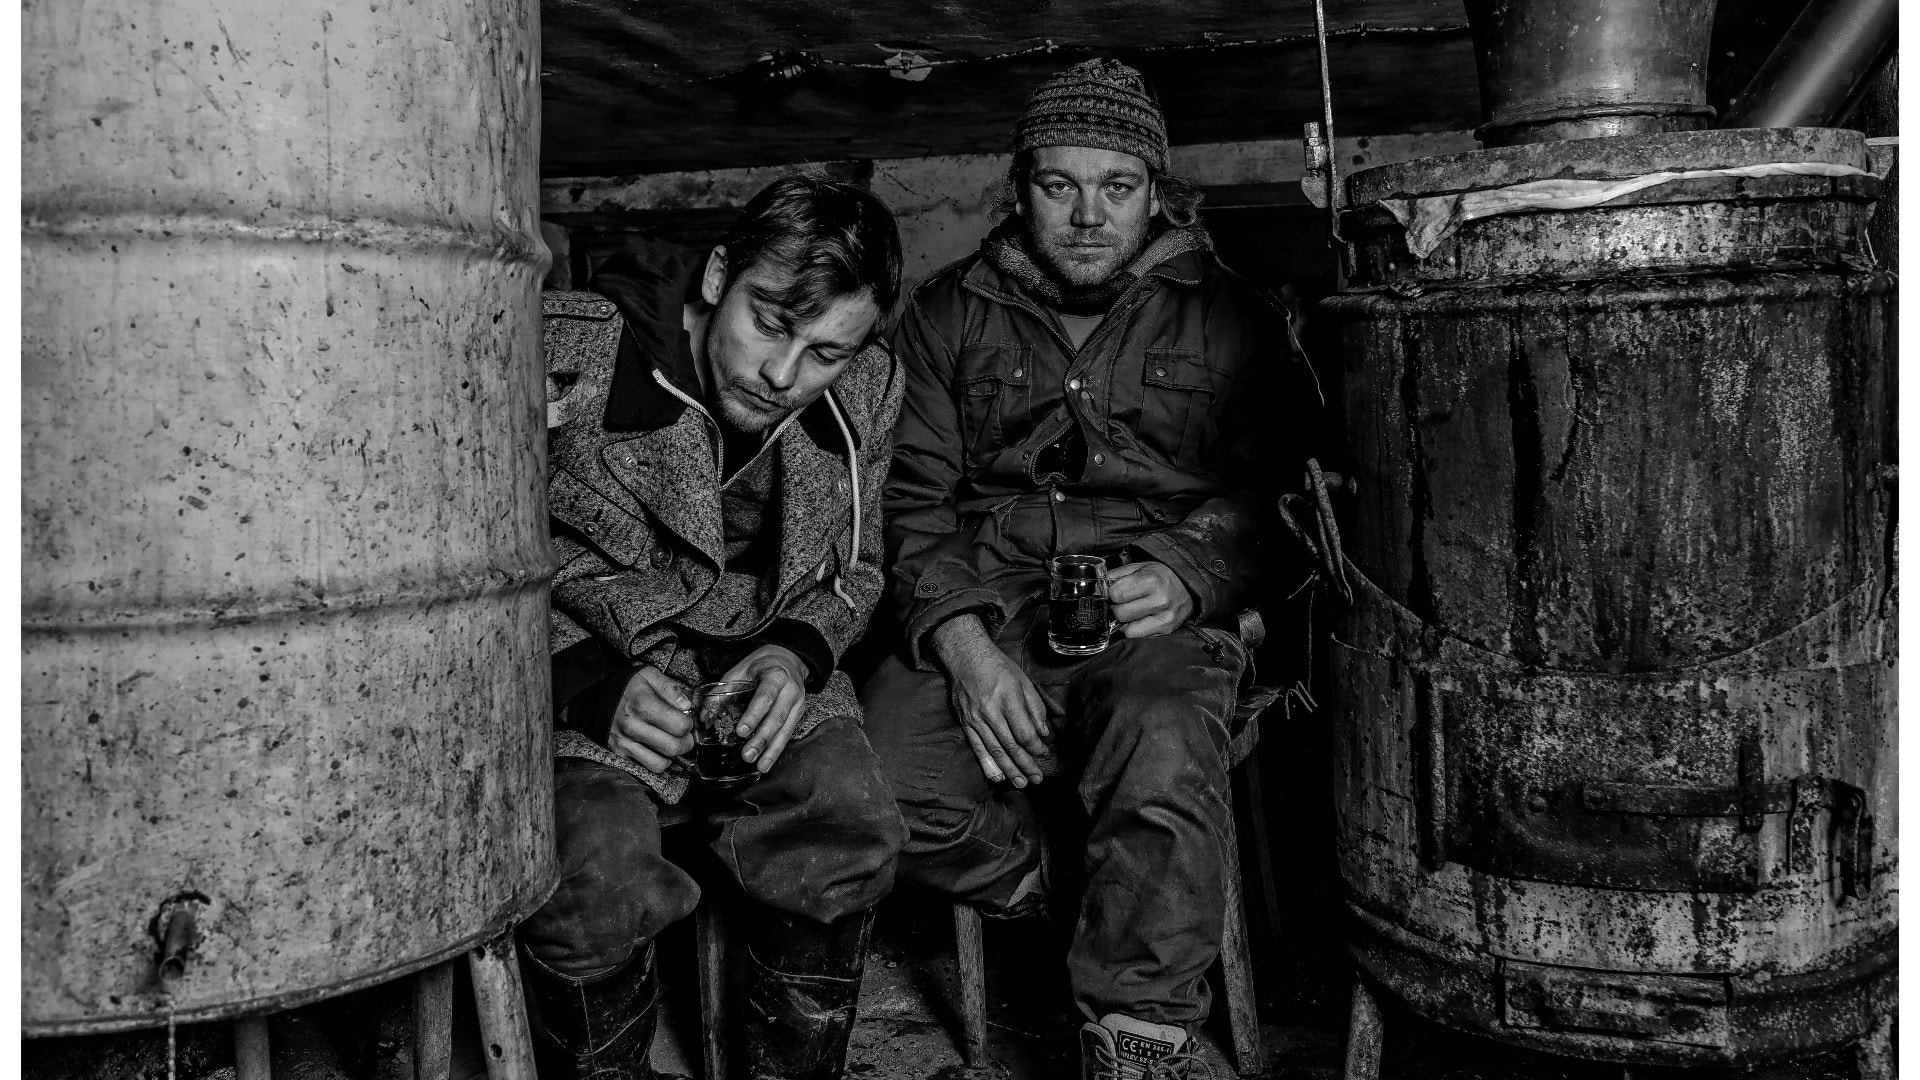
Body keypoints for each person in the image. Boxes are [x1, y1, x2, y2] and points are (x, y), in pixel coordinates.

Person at [859, 59, 1309, 1080]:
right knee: (868, 785)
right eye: (1060, 185)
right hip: (990, 599)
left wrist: (1192, 570)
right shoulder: (942, 316)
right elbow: (908, 503)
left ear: (1159, 192)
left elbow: (1280, 493)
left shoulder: (1234, 313)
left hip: (1150, 614)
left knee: (1159, 741)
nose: (1089, 215)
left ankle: (1139, 1036)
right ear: (1019, 189)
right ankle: (1070, 896)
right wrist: (968, 653)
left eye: (1118, 186)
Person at [525, 174, 908, 1080]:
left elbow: (857, 564)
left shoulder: (871, 387)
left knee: (849, 821)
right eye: (771, 322)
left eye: (825, 352)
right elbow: (458, 556)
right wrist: (584, 681)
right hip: (581, 666)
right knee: (594, 871)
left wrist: (799, 652)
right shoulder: (559, 349)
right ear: (716, 276)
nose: (785, 376)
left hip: (756, 665)